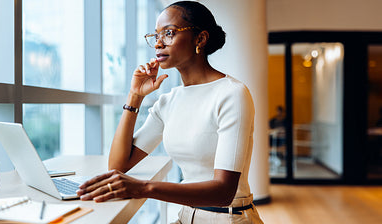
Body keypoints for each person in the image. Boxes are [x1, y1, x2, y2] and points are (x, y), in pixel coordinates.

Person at [77, 1, 263, 223]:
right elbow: (118, 165)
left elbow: (223, 192)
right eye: (155, 36)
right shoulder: (168, 101)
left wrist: (144, 188)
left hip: (228, 218)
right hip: (186, 216)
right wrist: (135, 96)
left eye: (168, 33)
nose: (158, 43)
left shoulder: (232, 94)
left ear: (200, 39)